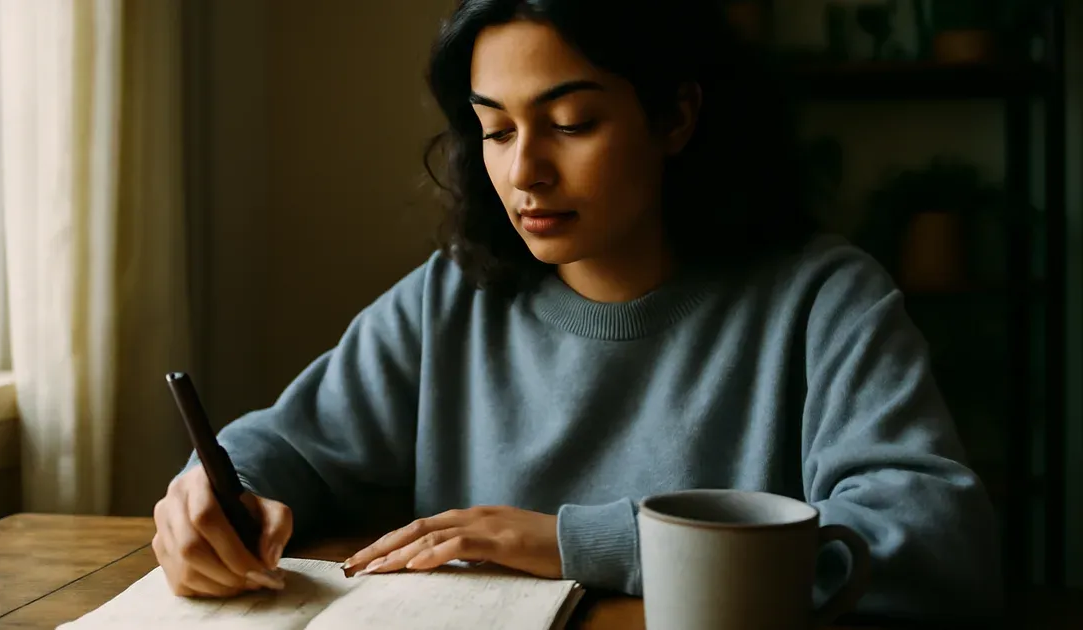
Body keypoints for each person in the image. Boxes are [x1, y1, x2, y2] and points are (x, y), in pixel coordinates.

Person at [151, 0, 1003, 620]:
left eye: (570, 121)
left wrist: (573, 542)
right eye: (496, 130)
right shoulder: (453, 296)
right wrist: (212, 493)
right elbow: (291, 441)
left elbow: (932, 543)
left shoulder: (821, 299)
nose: (525, 173)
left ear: (675, 115)